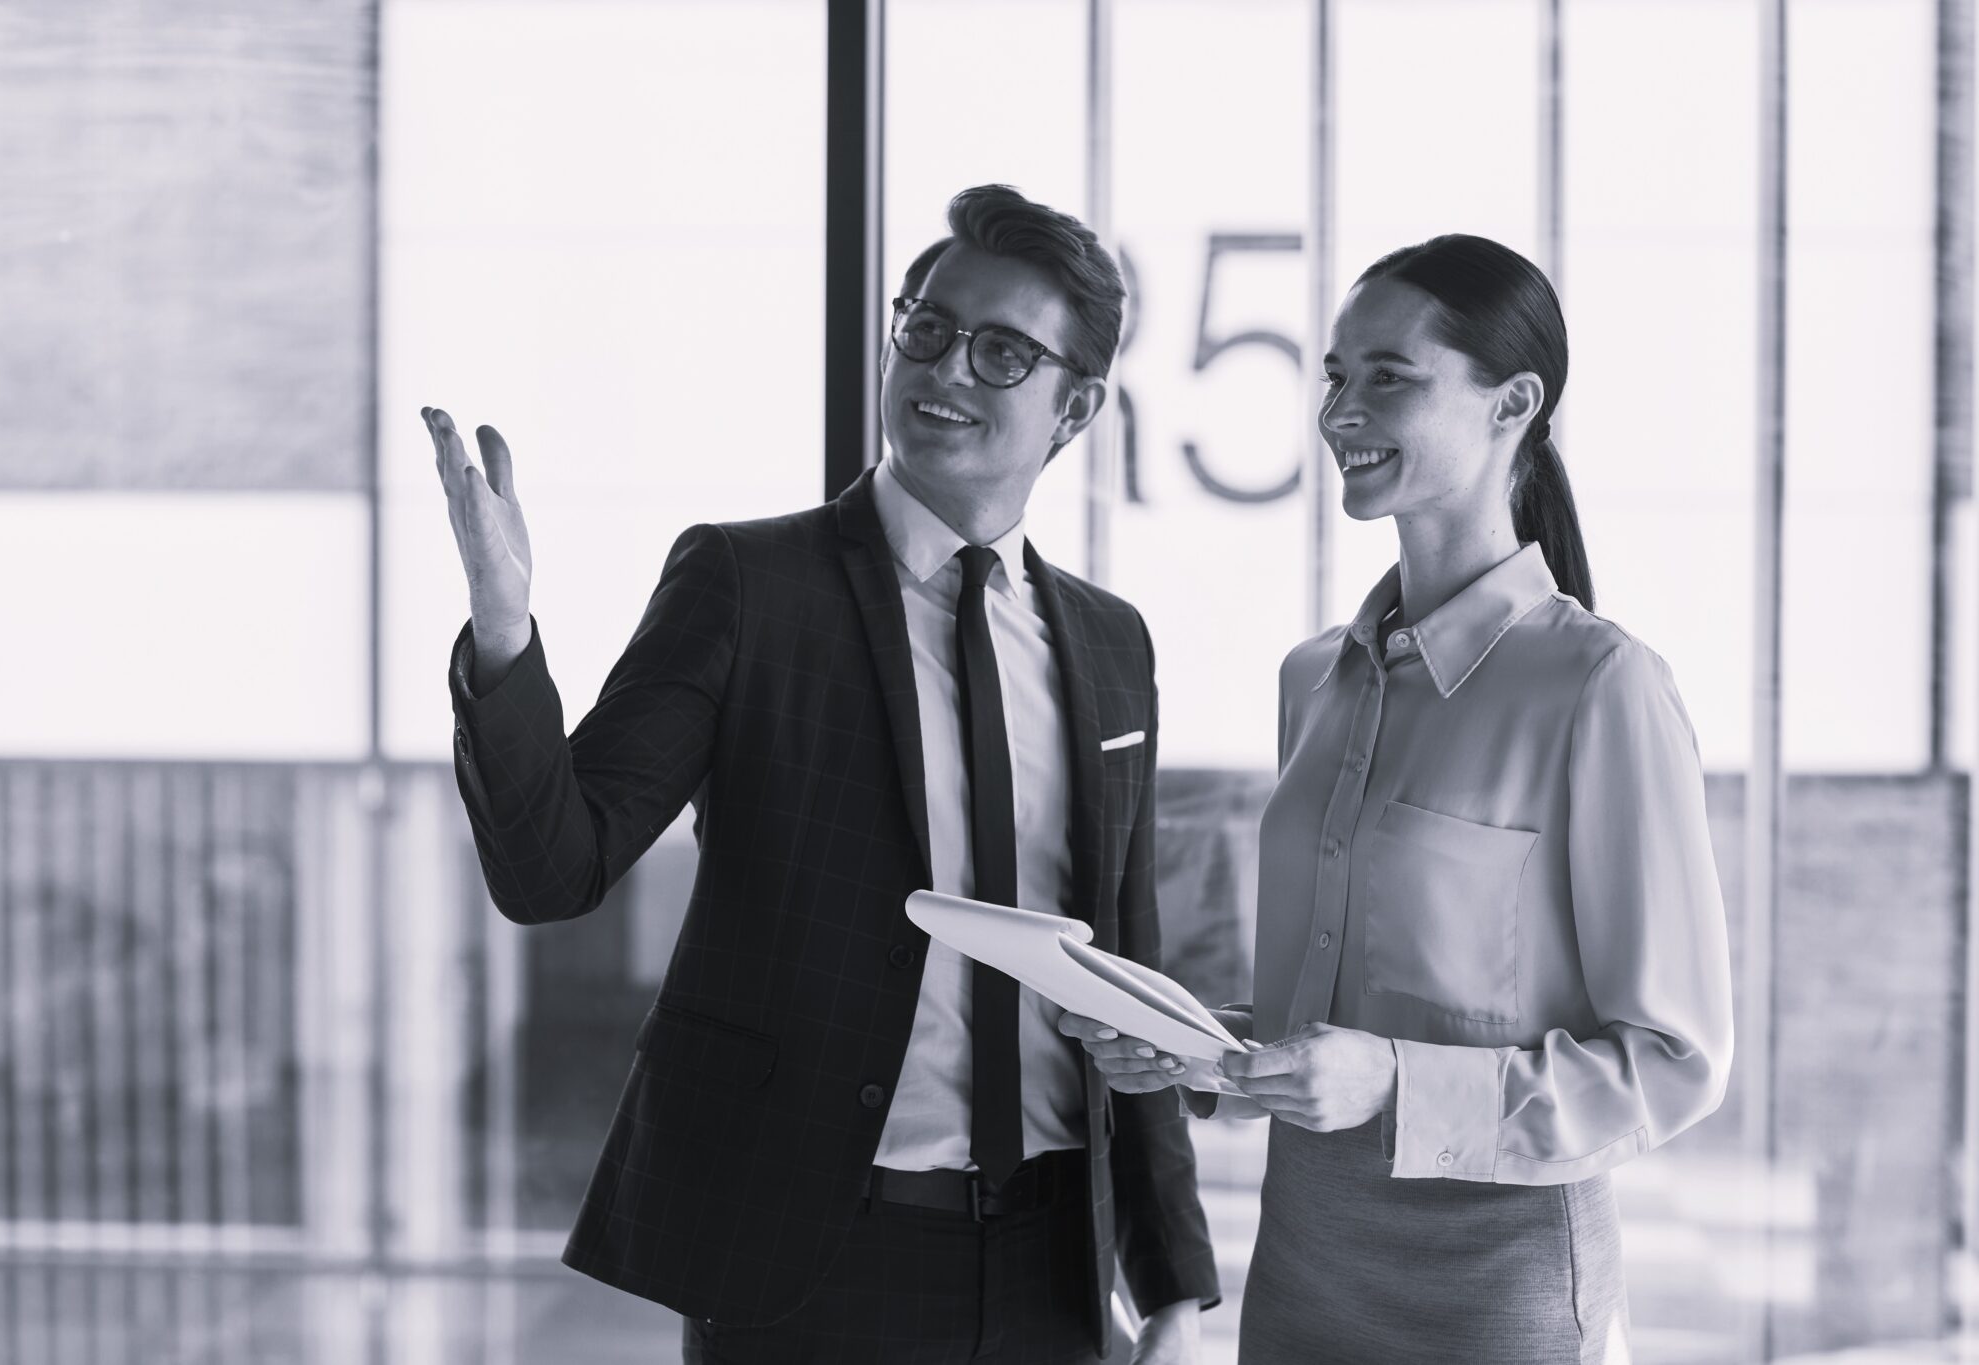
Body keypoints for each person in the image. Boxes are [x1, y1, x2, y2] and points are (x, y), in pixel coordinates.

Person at [424, 184, 1219, 1365]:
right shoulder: (749, 586)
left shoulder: (1110, 644)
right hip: (814, 1262)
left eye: (1003, 353)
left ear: (1074, 408)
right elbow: (555, 867)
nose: (946, 369)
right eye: (928, 328)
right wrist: (502, 633)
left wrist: (1173, 1285)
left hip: (1054, 1264)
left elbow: (1125, 970)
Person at [1060, 234, 1733, 1363]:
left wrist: (1393, 1084)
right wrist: (1198, 1048)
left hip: (1498, 1293)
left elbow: (1671, 1064)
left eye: (1388, 377)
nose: (1339, 411)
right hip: (1301, 1271)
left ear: (1512, 402)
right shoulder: (1311, 680)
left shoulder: (1598, 688)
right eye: (1333, 375)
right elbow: (1335, 1017)